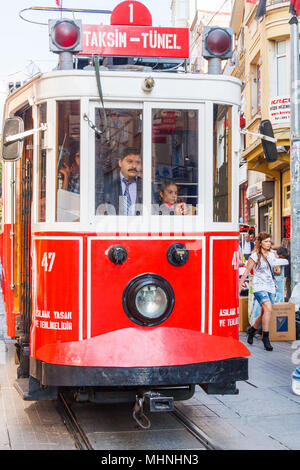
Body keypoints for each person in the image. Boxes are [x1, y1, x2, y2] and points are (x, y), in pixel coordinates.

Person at [239, 232, 278, 351]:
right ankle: (266, 338)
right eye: (265, 241)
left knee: (263, 313)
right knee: (268, 309)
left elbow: (274, 270)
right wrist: (239, 287)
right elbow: (246, 273)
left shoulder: (272, 254)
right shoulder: (254, 256)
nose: (268, 243)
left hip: (270, 285)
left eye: (269, 241)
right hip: (259, 286)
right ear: (260, 242)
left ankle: (252, 331)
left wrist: (275, 276)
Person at [96, 147, 142, 215]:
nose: (134, 166)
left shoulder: (145, 185)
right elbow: (96, 208)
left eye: (138, 162)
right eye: (130, 161)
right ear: (120, 163)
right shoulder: (106, 181)